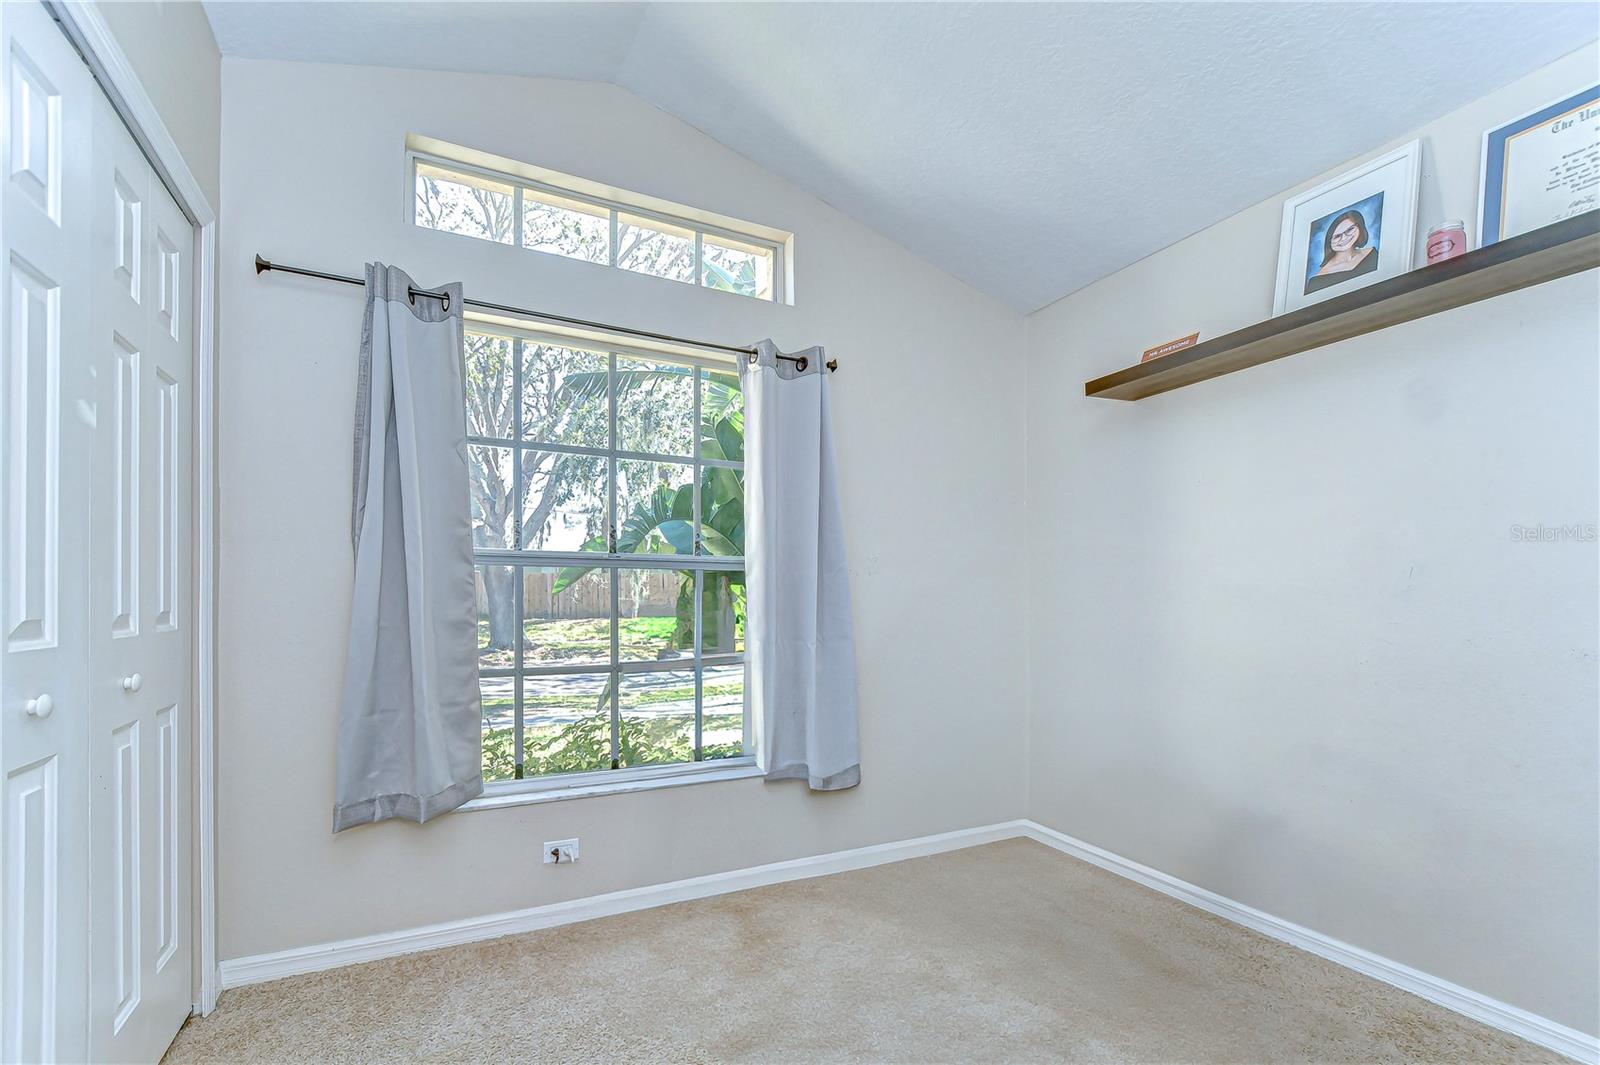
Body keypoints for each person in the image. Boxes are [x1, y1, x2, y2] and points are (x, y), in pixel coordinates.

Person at [1305, 209, 1379, 294]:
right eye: (1337, 236)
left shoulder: (1372, 253)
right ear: (1329, 241)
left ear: (1359, 227)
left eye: (1350, 230)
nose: (1344, 238)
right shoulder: (1317, 282)